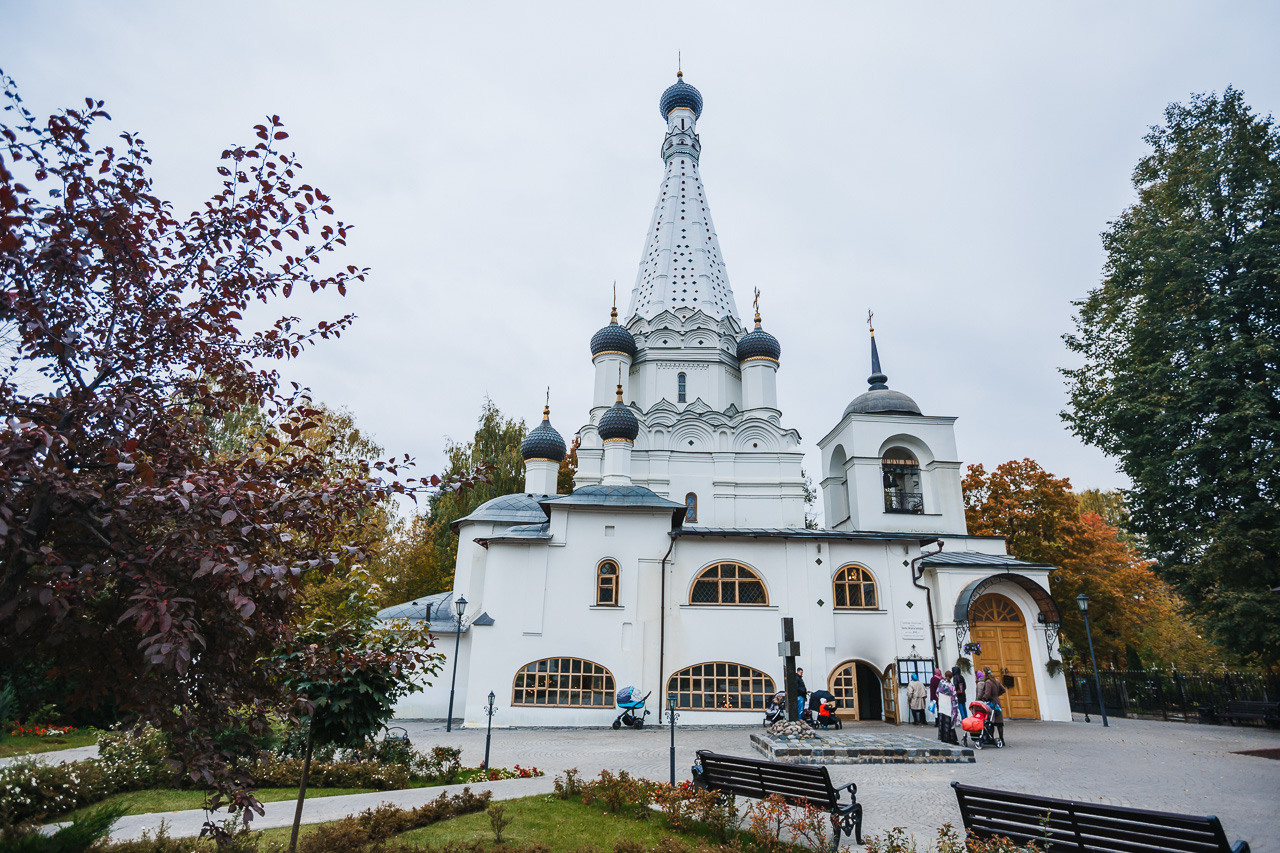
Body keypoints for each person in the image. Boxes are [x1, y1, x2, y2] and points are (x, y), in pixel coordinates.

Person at [977, 667, 1007, 742]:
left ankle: (991, 738)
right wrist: (997, 695)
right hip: (997, 701)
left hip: (991, 703)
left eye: (983, 672)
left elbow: (987, 693)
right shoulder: (996, 680)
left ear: (985, 673)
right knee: (999, 722)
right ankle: (1001, 739)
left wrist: (983, 699)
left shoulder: (988, 682)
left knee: (991, 721)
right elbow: (1003, 689)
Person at [935, 672, 959, 744]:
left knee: (942, 721)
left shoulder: (941, 683)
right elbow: (954, 697)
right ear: (951, 677)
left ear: (945, 676)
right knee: (949, 722)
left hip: (942, 705)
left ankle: (943, 738)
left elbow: (937, 693)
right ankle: (951, 738)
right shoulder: (951, 686)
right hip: (948, 705)